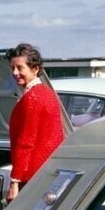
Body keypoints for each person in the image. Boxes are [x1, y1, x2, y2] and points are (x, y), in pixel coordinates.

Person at [5, 43, 66, 201]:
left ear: (35, 68)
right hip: (48, 172)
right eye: (12, 68)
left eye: (20, 67)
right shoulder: (46, 93)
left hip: (32, 176)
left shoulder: (32, 97)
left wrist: (14, 182)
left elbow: (26, 142)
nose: (15, 73)